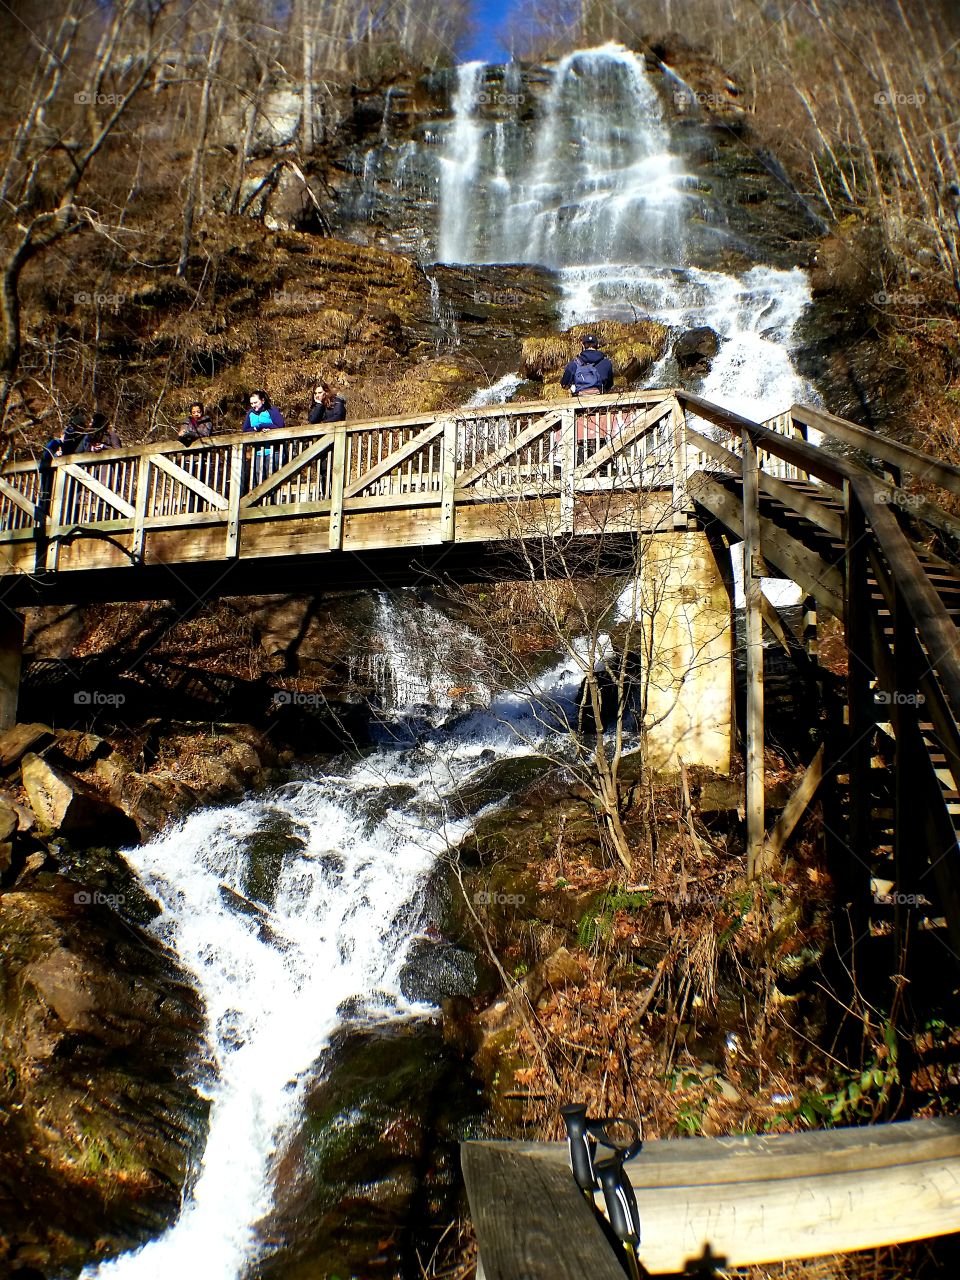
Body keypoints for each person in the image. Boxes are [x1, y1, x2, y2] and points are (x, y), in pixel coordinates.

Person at [560, 335, 614, 459]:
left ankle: (578, 457)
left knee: (579, 431)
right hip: (599, 405)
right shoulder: (606, 363)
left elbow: (564, 384)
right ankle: (602, 457)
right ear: (597, 345)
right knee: (600, 432)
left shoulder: (575, 363)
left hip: (579, 407)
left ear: (583, 345)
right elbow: (610, 384)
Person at [242, 389, 285, 490]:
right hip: (258, 451)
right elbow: (245, 430)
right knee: (258, 476)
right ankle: (261, 503)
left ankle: (273, 502)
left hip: (274, 450)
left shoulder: (271, 410)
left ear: (262, 400)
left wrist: (265, 425)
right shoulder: (250, 413)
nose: (253, 405)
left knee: (272, 478)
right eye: (251, 403)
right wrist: (256, 428)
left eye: (255, 402)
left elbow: (280, 425)